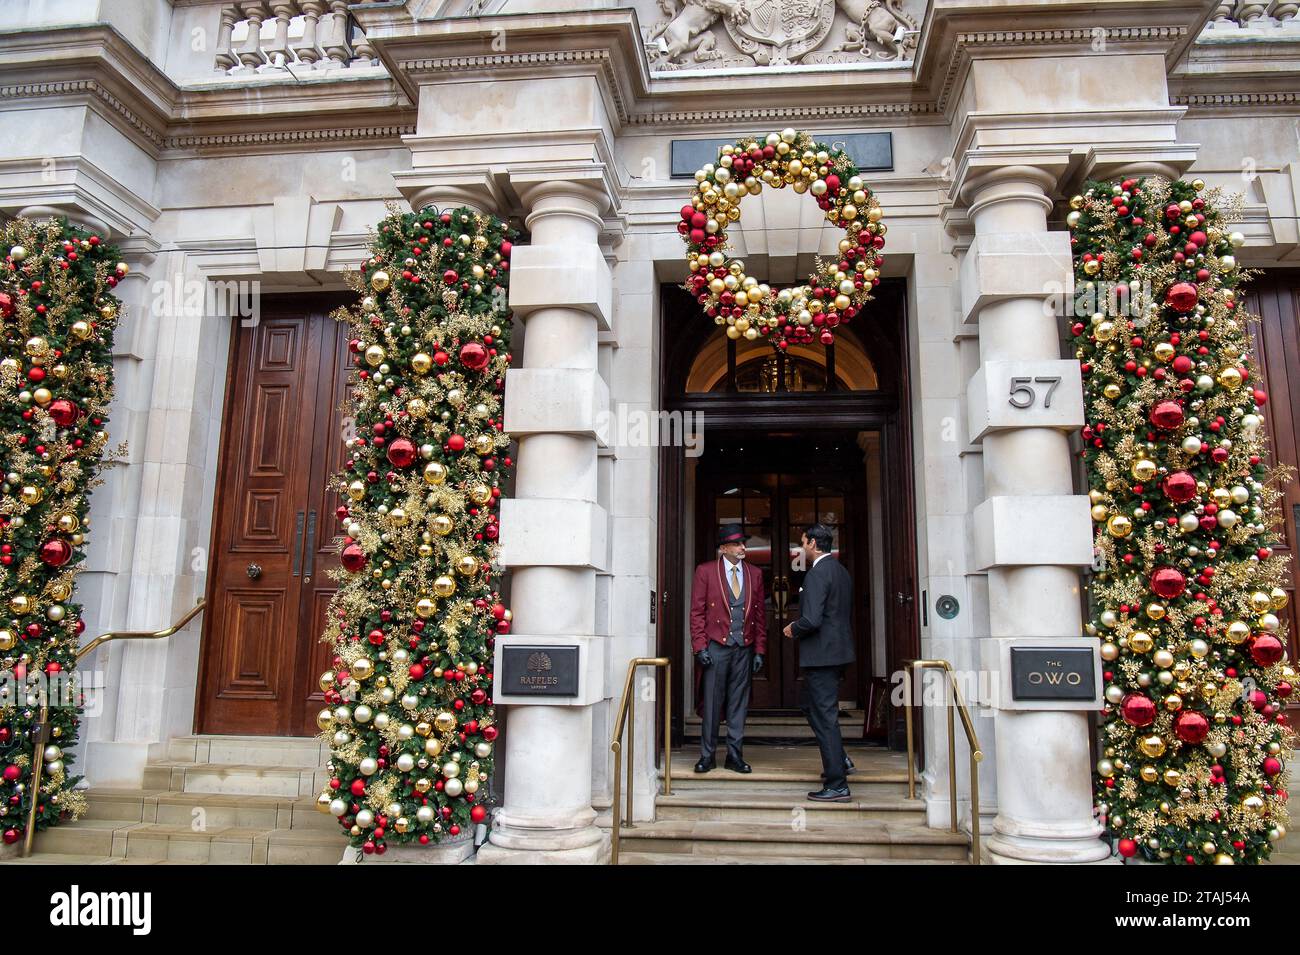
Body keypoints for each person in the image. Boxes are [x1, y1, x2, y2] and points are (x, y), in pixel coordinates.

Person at [783, 523, 855, 801]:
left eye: (803, 543)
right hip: (837, 654)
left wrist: (793, 628)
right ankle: (841, 758)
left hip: (822, 657)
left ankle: (837, 783)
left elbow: (812, 620)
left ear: (813, 543)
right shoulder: (841, 571)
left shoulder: (816, 574)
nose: (802, 548)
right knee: (809, 705)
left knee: (825, 717)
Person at [690, 523, 767, 773]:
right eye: (737, 543)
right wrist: (700, 647)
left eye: (743, 543)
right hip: (716, 647)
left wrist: (759, 650)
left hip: (743, 647)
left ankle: (734, 755)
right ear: (724, 548)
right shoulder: (705, 571)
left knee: (738, 704)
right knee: (712, 705)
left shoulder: (755, 573)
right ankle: (707, 755)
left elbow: (760, 616)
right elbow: (697, 613)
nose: (743, 547)